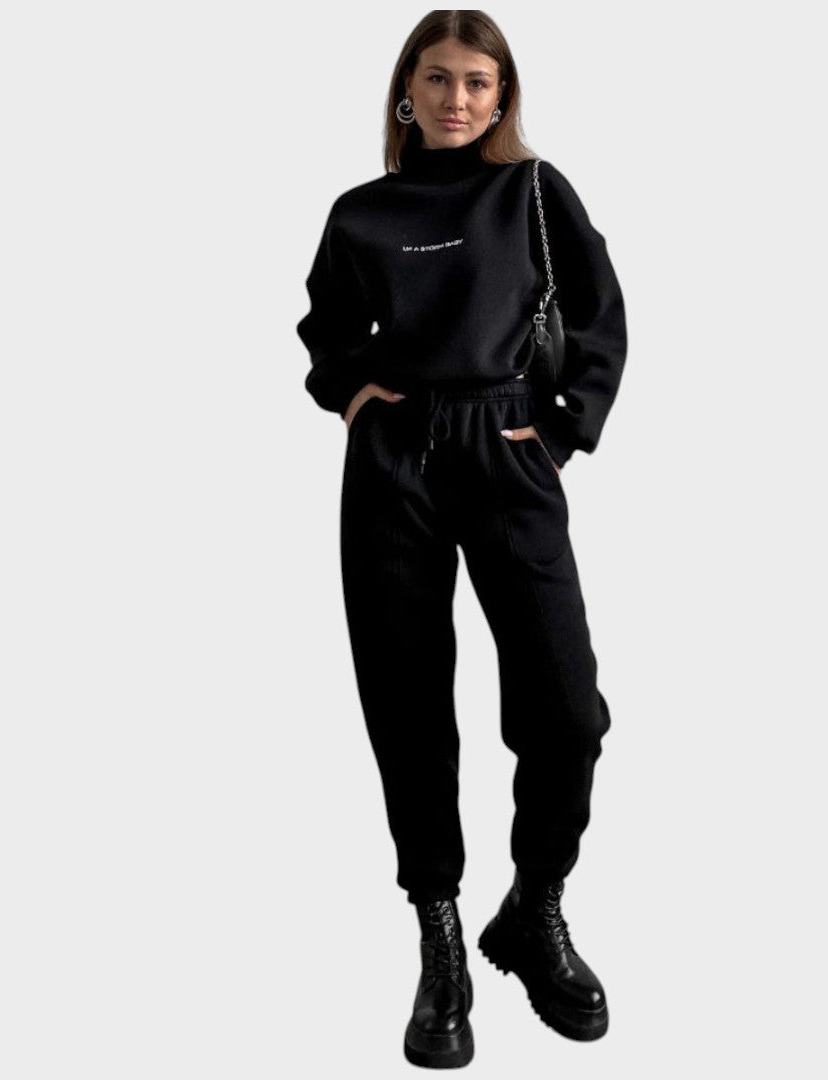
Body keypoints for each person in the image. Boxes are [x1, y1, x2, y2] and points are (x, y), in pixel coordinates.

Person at [296, 10, 627, 1069]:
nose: (457, 99)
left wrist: (563, 429)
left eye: (478, 82)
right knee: (406, 704)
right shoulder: (361, 213)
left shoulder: (532, 192)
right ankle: (438, 934)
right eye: (437, 79)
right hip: (394, 465)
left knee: (566, 710)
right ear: (408, 90)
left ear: (501, 96)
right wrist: (352, 394)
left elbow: (601, 312)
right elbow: (325, 330)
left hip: (508, 451)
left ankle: (534, 907)